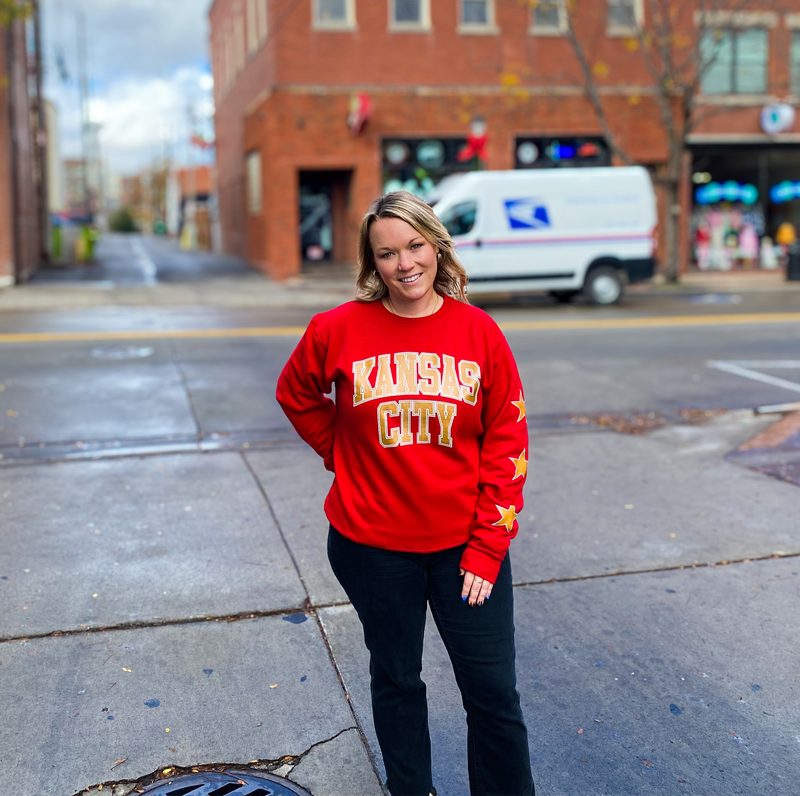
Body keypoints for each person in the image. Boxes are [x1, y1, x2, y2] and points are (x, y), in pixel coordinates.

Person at [276, 191, 534, 796]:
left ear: (436, 246)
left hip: (465, 550)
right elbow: (296, 394)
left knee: (493, 694)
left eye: (414, 246)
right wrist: (341, 452)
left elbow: (507, 439)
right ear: (373, 263)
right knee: (397, 680)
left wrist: (488, 545)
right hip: (372, 547)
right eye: (387, 253)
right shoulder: (336, 328)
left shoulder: (479, 333)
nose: (404, 264)